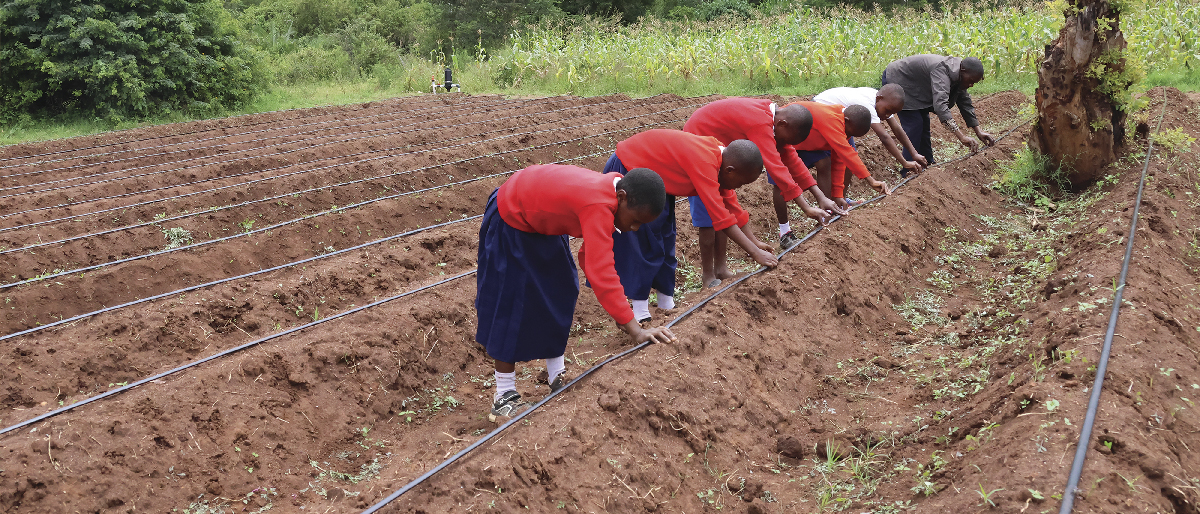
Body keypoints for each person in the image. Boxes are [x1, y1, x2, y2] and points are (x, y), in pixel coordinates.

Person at [476, 164, 676, 422]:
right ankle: (504, 397)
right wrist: (635, 329)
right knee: (513, 302)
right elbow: (600, 270)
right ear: (623, 197)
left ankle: (556, 376)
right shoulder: (598, 205)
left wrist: (620, 313)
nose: (635, 228)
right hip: (513, 216)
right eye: (636, 220)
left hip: (542, 220)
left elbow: (590, 256)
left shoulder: (615, 193)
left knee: (562, 288)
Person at [612, 129, 777, 298]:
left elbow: (733, 207)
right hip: (631, 169)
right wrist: (756, 254)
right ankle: (640, 310)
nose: (738, 188)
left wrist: (755, 243)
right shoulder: (705, 162)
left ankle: (666, 303)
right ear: (730, 171)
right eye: (741, 183)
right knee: (642, 240)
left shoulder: (721, 160)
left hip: (659, 178)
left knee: (666, 236)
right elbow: (721, 217)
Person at [682, 98, 844, 250]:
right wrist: (806, 208)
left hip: (717, 149)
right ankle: (710, 274)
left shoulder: (774, 120)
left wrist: (821, 197)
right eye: (787, 139)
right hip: (698, 142)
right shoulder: (760, 124)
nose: (785, 144)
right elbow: (776, 168)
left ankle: (721, 269)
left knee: (722, 206)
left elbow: (791, 158)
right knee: (710, 213)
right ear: (782, 124)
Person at [882, 54, 995, 164]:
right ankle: (909, 168)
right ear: (963, 71)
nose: (971, 85)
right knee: (914, 124)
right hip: (899, 79)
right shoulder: (942, 71)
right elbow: (941, 106)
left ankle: (927, 163)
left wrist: (978, 131)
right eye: (970, 80)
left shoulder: (959, 73)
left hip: (917, 87)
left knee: (924, 123)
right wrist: (962, 137)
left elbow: (965, 103)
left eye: (974, 83)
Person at [789, 102, 891, 209]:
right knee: (780, 183)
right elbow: (847, 154)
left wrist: (838, 195)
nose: (848, 137)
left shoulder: (844, 123)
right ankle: (786, 224)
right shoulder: (831, 119)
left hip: (807, 141)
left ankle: (829, 208)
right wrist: (872, 181)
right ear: (846, 120)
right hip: (786, 136)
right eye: (849, 134)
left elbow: (839, 160)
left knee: (825, 163)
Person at [814, 84, 928, 178]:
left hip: (840, 119)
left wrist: (914, 153)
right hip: (819, 112)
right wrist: (904, 162)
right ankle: (832, 203)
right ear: (879, 99)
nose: (887, 115)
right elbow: (884, 137)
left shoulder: (881, 100)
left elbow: (897, 128)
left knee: (850, 161)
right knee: (829, 162)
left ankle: (842, 201)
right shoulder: (867, 104)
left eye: (892, 113)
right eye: (887, 111)